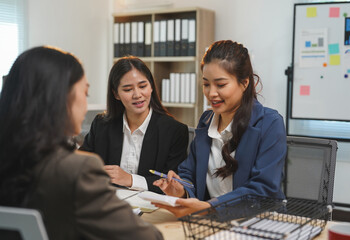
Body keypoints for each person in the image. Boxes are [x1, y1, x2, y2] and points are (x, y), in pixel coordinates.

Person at [0, 46, 163, 240]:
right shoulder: (77, 170)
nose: (86, 105)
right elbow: (146, 237)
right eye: (85, 94)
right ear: (60, 98)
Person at [153, 40, 287, 217]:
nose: (211, 93)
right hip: (209, 222)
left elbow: (262, 190)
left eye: (221, 84)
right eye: (206, 84)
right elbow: (189, 172)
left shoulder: (270, 123)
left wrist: (211, 207)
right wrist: (180, 189)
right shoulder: (206, 121)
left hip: (256, 223)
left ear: (244, 83)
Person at [80, 56, 188, 193]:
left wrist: (130, 179)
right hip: (107, 203)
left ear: (151, 87)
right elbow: (81, 165)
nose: (137, 95)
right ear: (116, 94)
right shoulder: (101, 125)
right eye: (128, 89)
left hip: (152, 209)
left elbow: (172, 185)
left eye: (143, 86)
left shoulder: (175, 131)